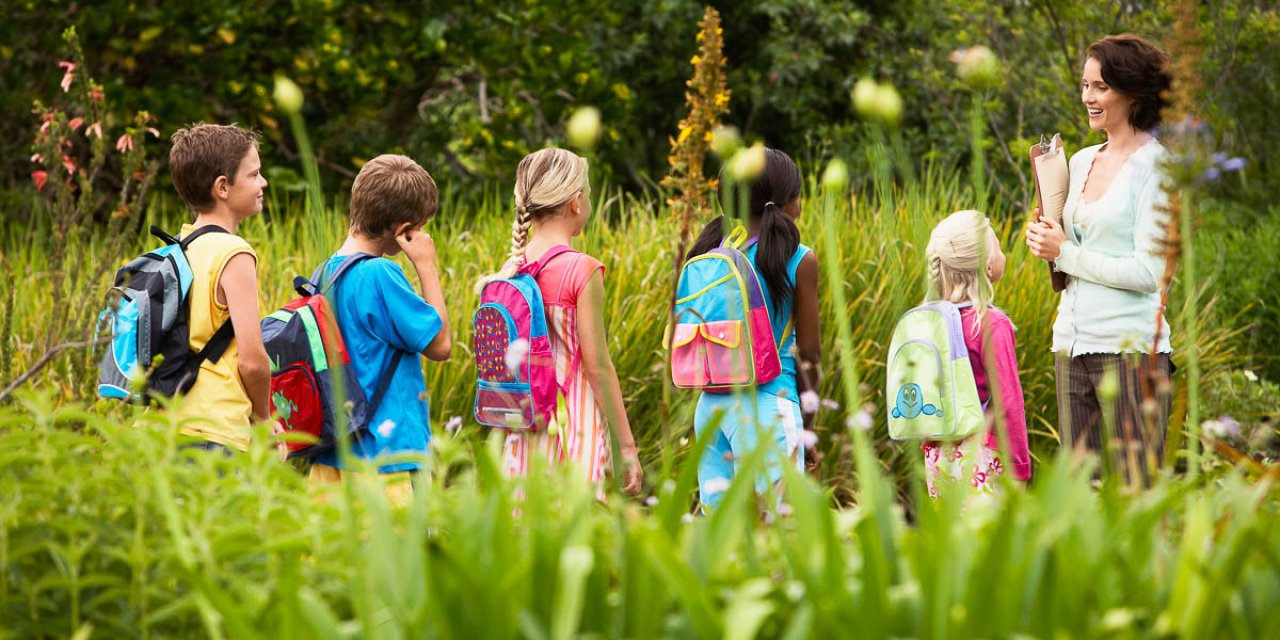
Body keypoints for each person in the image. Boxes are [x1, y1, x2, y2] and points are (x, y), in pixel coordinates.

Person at [1026, 34, 1174, 483]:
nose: (1088, 97)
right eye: (1085, 85)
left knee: (1137, 493)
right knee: (1080, 500)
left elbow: (1149, 273)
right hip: (1071, 343)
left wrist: (1066, 253)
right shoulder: (1082, 159)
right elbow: (1071, 251)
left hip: (1131, 353)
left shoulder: (1158, 168)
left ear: (1133, 93)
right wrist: (1046, 239)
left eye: (1100, 87)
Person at [480, 148, 643, 496]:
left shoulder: (511, 270)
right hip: (573, 425)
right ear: (575, 202)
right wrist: (626, 446)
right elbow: (597, 366)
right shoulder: (581, 269)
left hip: (523, 424)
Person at [308, 154, 452, 503]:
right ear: (404, 230)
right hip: (388, 459)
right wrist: (426, 265)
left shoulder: (323, 274)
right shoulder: (380, 274)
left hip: (332, 453)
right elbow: (440, 345)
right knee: (398, 555)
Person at [686, 147, 821, 511]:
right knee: (776, 538)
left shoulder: (711, 251)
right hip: (769, 406)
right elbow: (810, 354)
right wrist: (807, 431)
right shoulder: (798, 258)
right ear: (788, 202)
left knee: (721, 533)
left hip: (710, 408)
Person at [168, 123, 271, 454]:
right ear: (223, 187)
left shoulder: (179, 248)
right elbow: (253, 360)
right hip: (216, 428)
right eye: (254, 175)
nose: (263, 182)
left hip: (165, 423)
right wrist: (264, 419)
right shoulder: (233, 253)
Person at [921, 210, 1031, 497]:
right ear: (988, 267)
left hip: (937, 457)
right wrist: (1019, 468)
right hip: (981, 459)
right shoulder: (991, 324)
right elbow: (1009, 402)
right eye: (998, 247)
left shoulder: (928, 321)